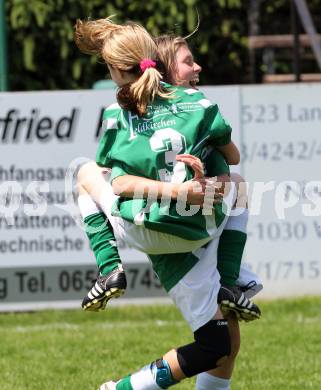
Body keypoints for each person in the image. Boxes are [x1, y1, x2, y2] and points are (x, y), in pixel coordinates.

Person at [74, 16, 259, 390]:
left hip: (150, 225)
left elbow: (120, 179)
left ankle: (110, 266)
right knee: (217, 344)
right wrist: (200, 184)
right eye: (188, 61)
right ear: (159, 68)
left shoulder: (120, 114)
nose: (197, 67)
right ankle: (228, 279)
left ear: (116, 70)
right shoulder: (198, 104)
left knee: (85, 173)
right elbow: (234, 157)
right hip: (191, 229)